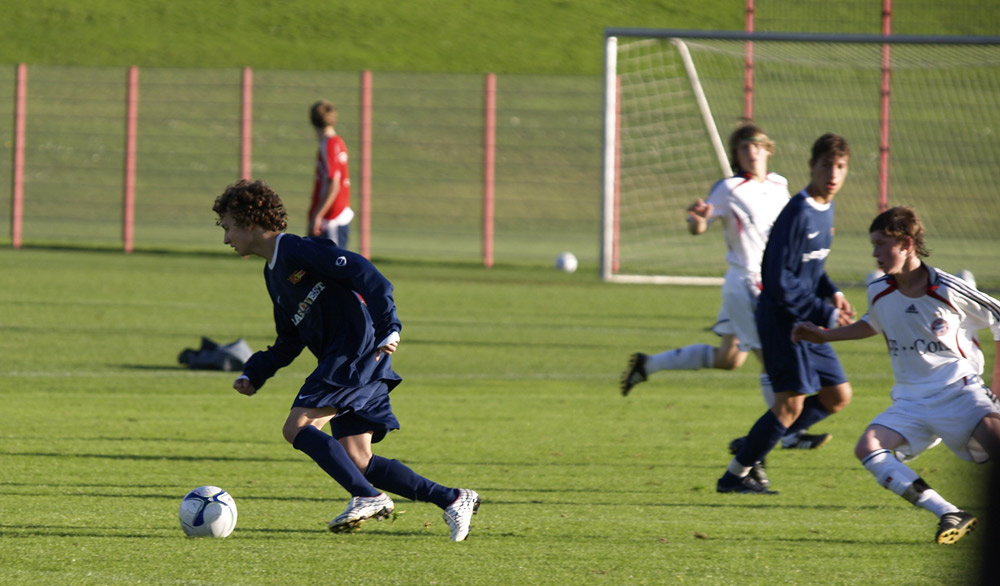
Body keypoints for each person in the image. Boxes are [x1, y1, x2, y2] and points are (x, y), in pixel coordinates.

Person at [213, 179, 480, 541]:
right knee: (357, 460)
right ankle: (453, 499)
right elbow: (289, 339)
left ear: (249, 222)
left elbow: (366, 273)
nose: (226, 238)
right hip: (353, 358)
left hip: (356, 350)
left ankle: (367, 497)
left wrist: (390, 326)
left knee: (297, 426)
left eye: (227, 227)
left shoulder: (298, 249)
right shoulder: (273, 274)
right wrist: (255, 372)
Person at [792, 205, 1000, 544]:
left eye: (881, 244)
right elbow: (873, 323)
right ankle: (950, 513)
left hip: (958, 390)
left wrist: (997, 385)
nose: (875, 253)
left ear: (906, 243)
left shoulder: (948, 288)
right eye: (872, 245)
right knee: (868, 447)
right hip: (910, 399)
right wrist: (825, 335)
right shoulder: (880, 291)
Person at [717, 132, 856, 494]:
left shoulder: (827, 209)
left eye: (840, 167)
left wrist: (834, 294)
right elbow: (777, 280)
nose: (833, 173)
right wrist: (824, 314)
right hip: (783, 320)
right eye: (826, 165)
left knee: (837, 396)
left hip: (808, 318)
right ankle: (734, 477)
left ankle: (752, 444)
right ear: (811, 166)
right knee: (788, 407)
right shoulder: (798, 212)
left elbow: (812, 269)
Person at [308, 100, 354, 248]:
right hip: (335, 213)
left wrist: (318, 215)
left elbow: (333, 183)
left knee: (334, 267)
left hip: (332, 216)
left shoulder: (329, 145)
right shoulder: (338, 142)